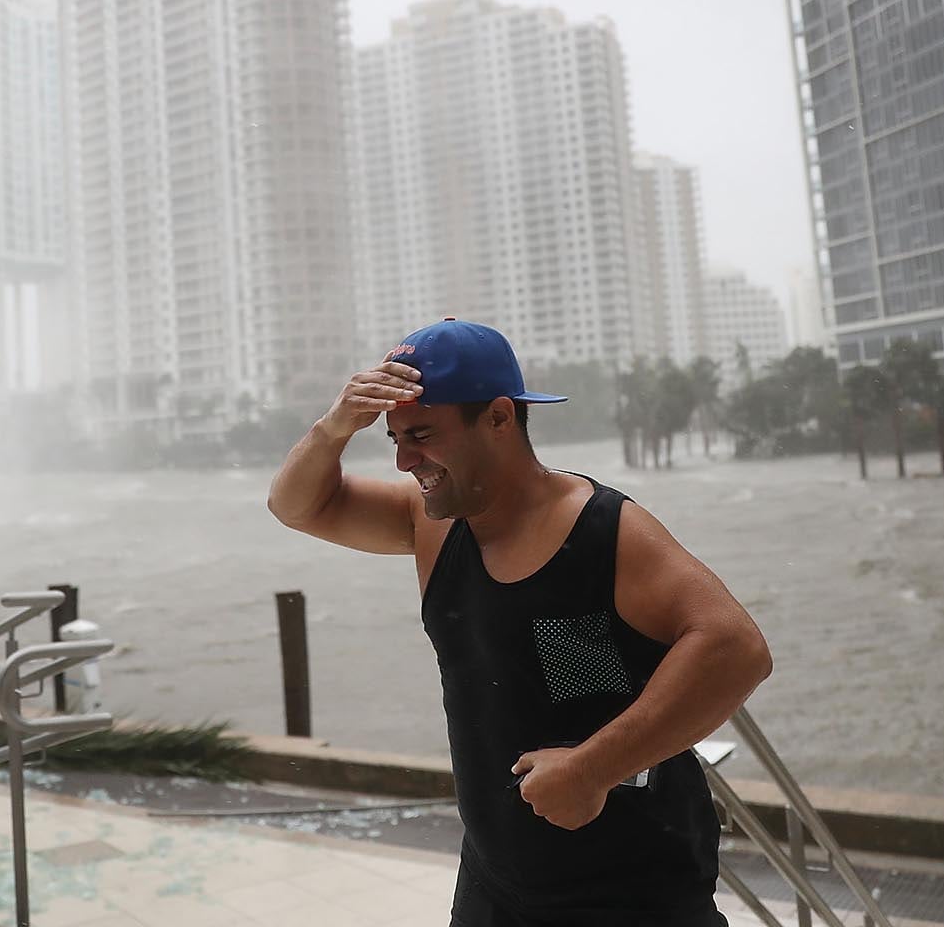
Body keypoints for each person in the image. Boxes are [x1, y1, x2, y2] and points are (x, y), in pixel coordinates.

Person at [267, 319, 772, 926]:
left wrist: (593, 768)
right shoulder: (431, 523)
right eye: (395, 439)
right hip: (496, 882)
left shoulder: (603, 531)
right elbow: (296, 506)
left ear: (501, 418)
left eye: (422, 435)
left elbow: (734, 647)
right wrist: (334, 427)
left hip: (634, 891)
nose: (405, 461)